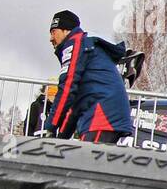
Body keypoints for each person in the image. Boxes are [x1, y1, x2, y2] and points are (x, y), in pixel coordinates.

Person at [46, 10, 135, 144]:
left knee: (88, 161)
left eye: (53, 32)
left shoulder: (75, 43)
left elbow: (67, 87)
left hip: (102, 116)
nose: (51, 38)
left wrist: (50, 127)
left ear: (66, 31)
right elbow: (75, 104)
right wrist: (60, 138)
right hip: (103, 116)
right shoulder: (85, 49)